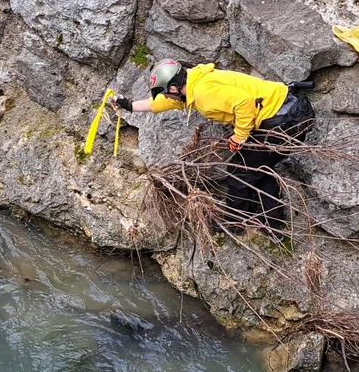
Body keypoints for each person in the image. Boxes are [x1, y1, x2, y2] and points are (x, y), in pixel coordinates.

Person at [112, 58, 315, 238]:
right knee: (257, 168)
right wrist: (129, 105)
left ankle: (235, 223)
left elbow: (244, 103)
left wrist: (239, 136)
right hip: (288, 113)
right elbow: (164, 103)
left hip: (282, 122)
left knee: (237, 173)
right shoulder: (193, 80)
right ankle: (273, 226)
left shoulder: (203, 93)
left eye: (168, 93)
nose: (168, 97)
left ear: (174, 88)